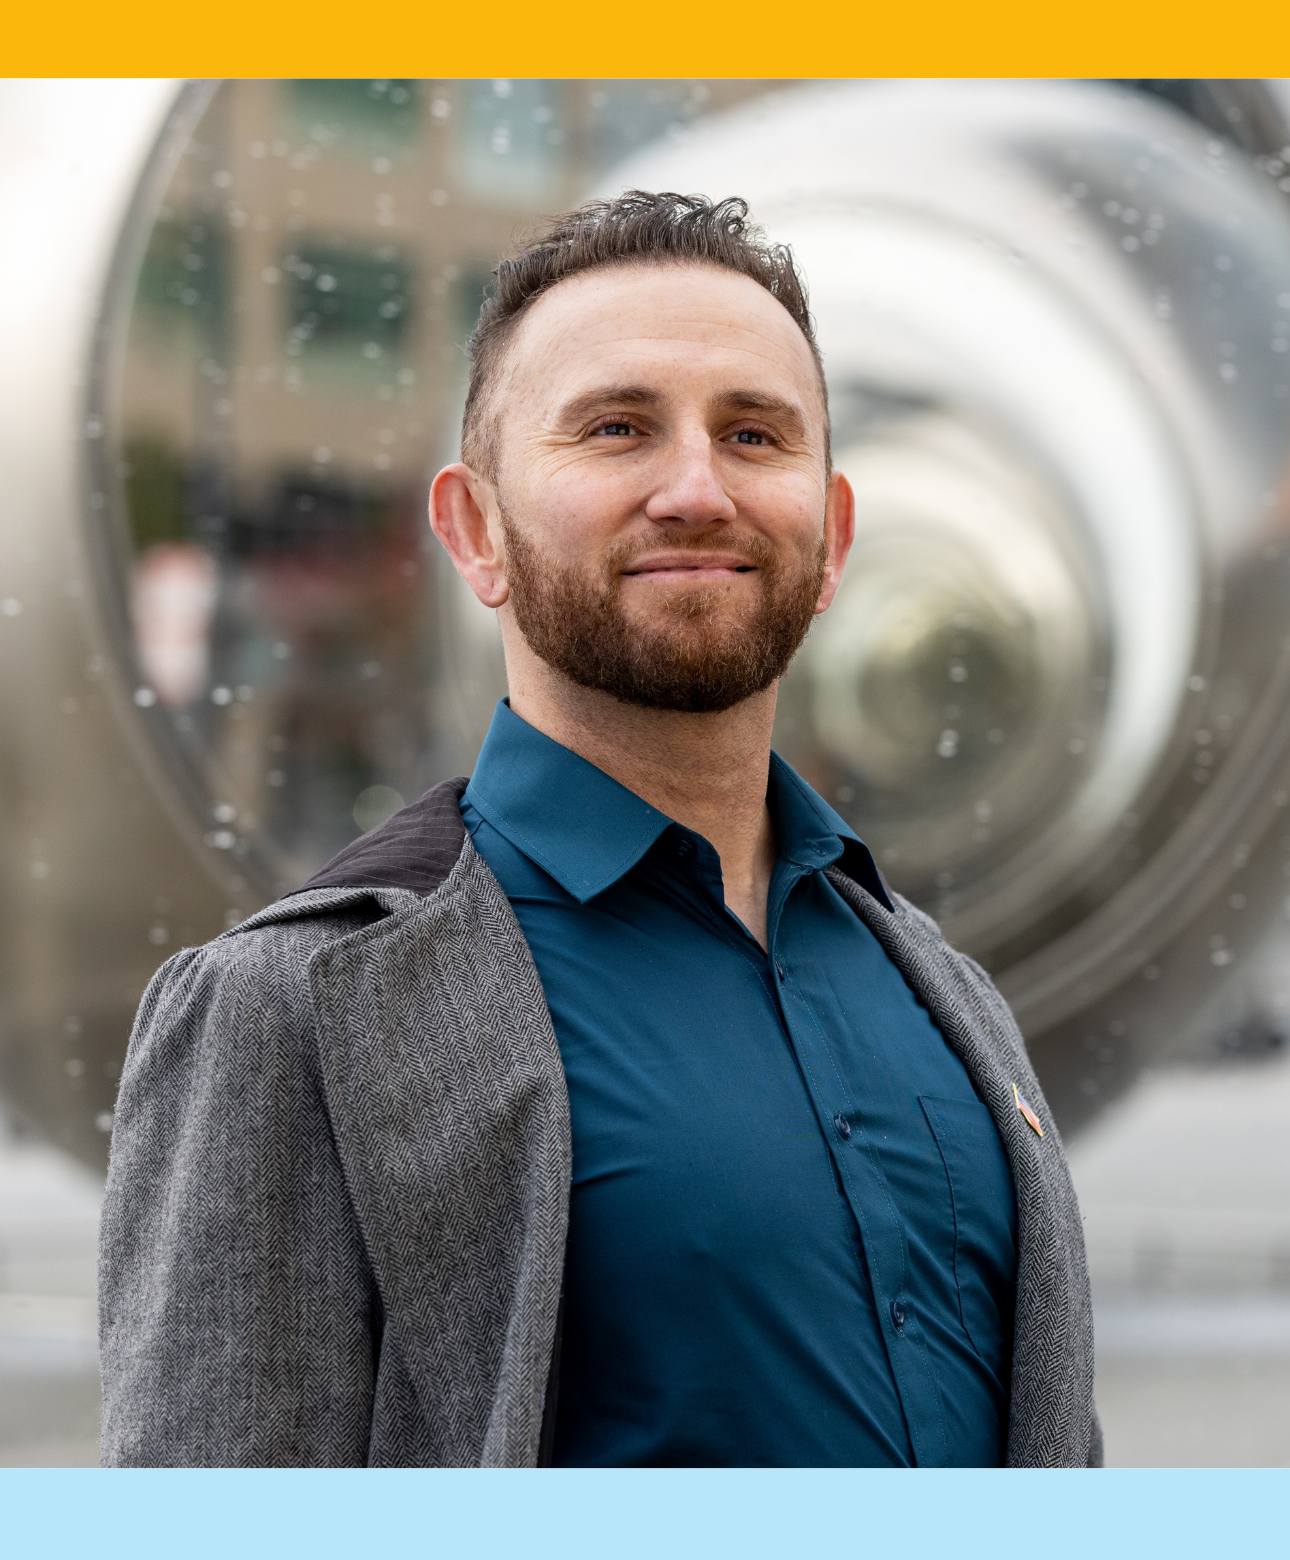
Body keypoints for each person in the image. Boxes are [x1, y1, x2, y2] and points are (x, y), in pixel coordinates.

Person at [98, 191, 1100, 1468]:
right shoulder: (294, 1007)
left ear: (833, 534)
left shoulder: (945, 994)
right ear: (475, 532)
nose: (696, 490)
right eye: (617, 429)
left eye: (754, 434)